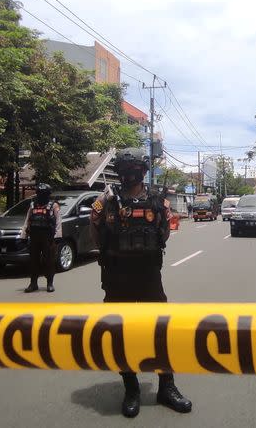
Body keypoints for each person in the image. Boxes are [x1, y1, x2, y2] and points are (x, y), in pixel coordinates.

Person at [90, 147, 192, 419]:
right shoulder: (106, 200)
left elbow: (163, 234)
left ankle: (167, 387)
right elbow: (96, 232)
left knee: (160, 332)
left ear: (143, 171)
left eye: (134, 169)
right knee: (121, 335)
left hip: (148, 277)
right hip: (116, 277)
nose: (130, 174)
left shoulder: (159, 202)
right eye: (126, 170)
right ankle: (131, 388)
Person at [21, 183, 62, 293]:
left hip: (48, 237)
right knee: (34, 261)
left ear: (48, 194)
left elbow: (58, 222)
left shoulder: (53, 206)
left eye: (43, 194)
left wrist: (58, 236)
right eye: (39, 193)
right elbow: (27, 221)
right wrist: (23, 236)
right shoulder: (33, 205)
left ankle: (50, 283)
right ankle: (33, 283)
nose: (41, 196)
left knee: (49, 261)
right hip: (34, 236)